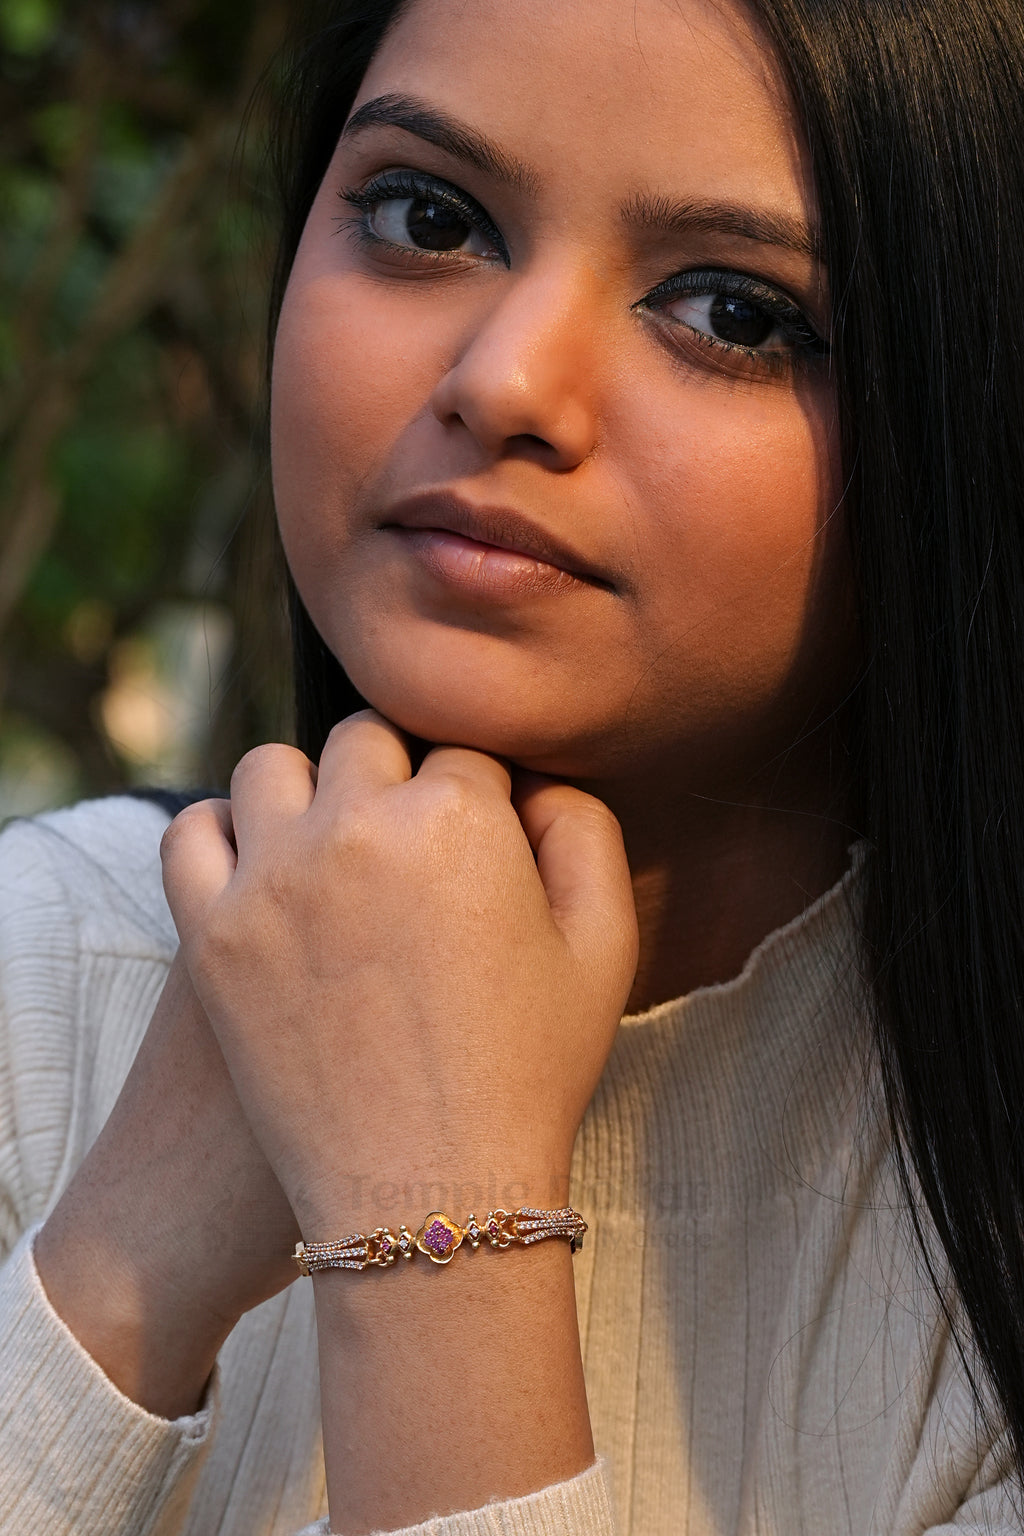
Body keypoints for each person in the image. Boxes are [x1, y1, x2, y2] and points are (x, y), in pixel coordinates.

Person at [1, 0, 1023, 1531]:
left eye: (735, 313)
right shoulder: (37, 972)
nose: (508, 381)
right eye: (430, 217)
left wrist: (437, 1229)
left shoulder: (974, 1247)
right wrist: (126, 1257)